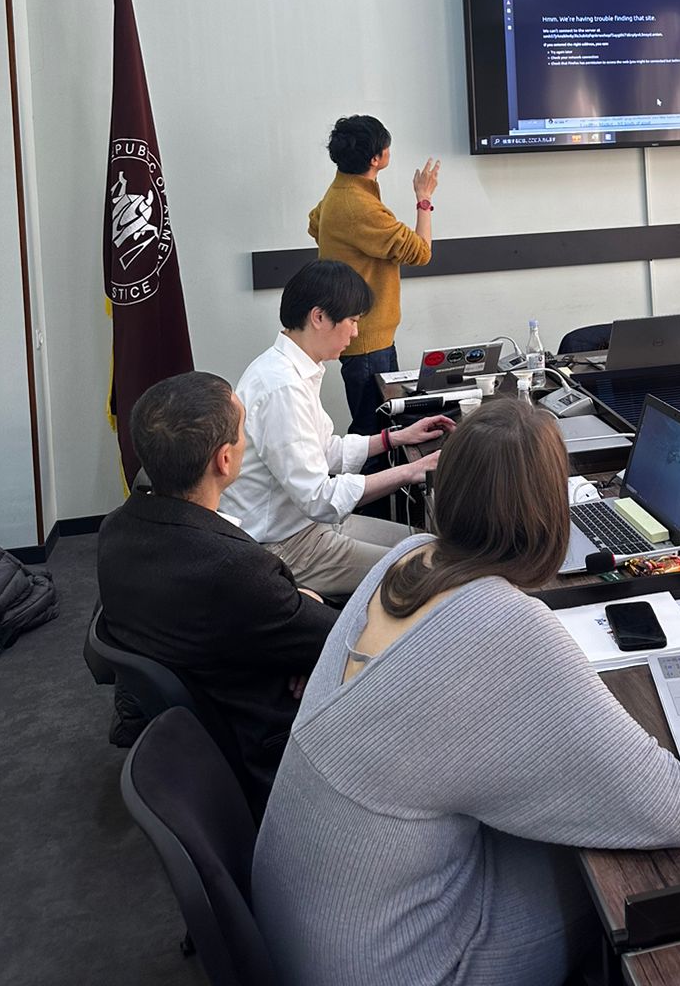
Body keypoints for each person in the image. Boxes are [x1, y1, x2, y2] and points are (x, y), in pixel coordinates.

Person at [252, 396, 680, 986]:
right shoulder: (508, 625)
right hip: (399, 966)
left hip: (306, 926)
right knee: (620, 879)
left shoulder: (407, 558)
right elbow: (666, 810)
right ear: (550, 512)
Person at [97, 371, 339, 815]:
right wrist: (307, 635)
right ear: (224, 460)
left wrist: (296, 633)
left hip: (204, 715)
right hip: (265, 749)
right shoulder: (237, 570)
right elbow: (341, 638)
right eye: (244, 431)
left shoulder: (115, 529)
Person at [221, 260, 454, 596]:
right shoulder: (281, 387)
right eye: (353, 321)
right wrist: (411, 470)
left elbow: (324, 451)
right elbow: (319, 498)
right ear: (319, 317)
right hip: (286, 547)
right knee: (430, 566)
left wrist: (395, 438)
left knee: (425, 543)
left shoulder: (288, 368)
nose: (355, 333)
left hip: (310, 526)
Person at [309, 113, 440, 433]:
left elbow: (314, 224)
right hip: (367, 338)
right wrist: (424, 200)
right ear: (375, 158)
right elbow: (421, 252)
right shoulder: (360, 206)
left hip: (367, 333)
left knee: (386, 426)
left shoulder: (340, 190)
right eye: (386, 147)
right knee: (375, 431)